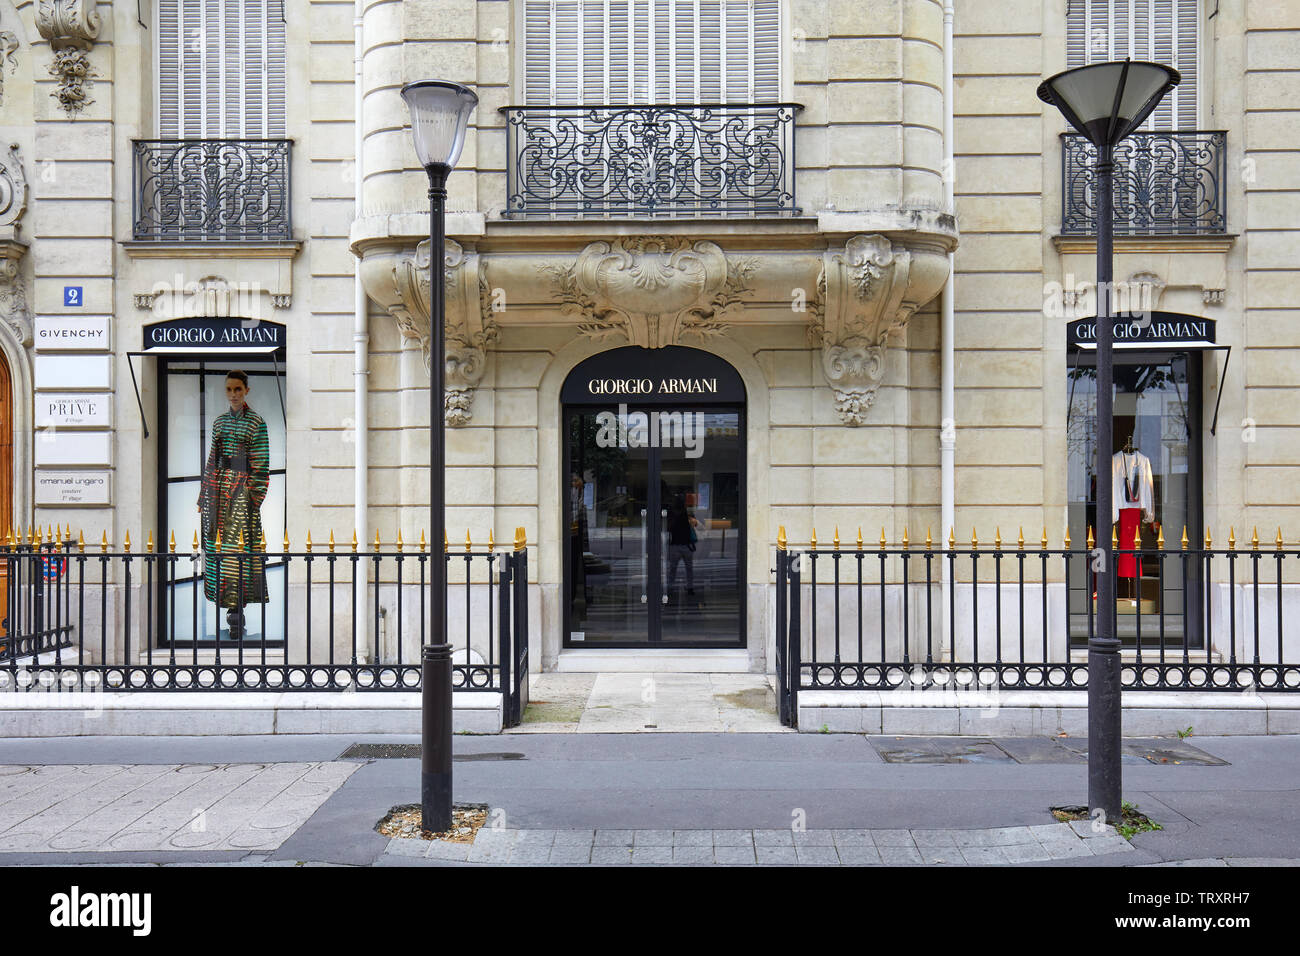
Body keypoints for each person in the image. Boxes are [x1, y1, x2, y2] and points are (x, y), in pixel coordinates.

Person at [195, 370, 269, 639]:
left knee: (240, 549)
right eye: (229, 389)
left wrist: (252, 497)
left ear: (246, 390)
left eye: (238, 389)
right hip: (219, 491)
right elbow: (213, 458)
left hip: (242, 493)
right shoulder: (218, 423)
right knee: (219, 549)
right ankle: (228, 608)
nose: (234, 394)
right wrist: (205, 494)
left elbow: (261, 464)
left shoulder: (256, 423)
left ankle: (238, 608)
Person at [665, 492, 699, 597]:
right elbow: (695, 523)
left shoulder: (671, 513)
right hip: (687, 545)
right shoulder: (686, 512)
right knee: (689, 568)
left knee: (672, 569)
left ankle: (670, 588)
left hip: (675, 544)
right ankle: (690, 588)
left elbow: (669, 528)